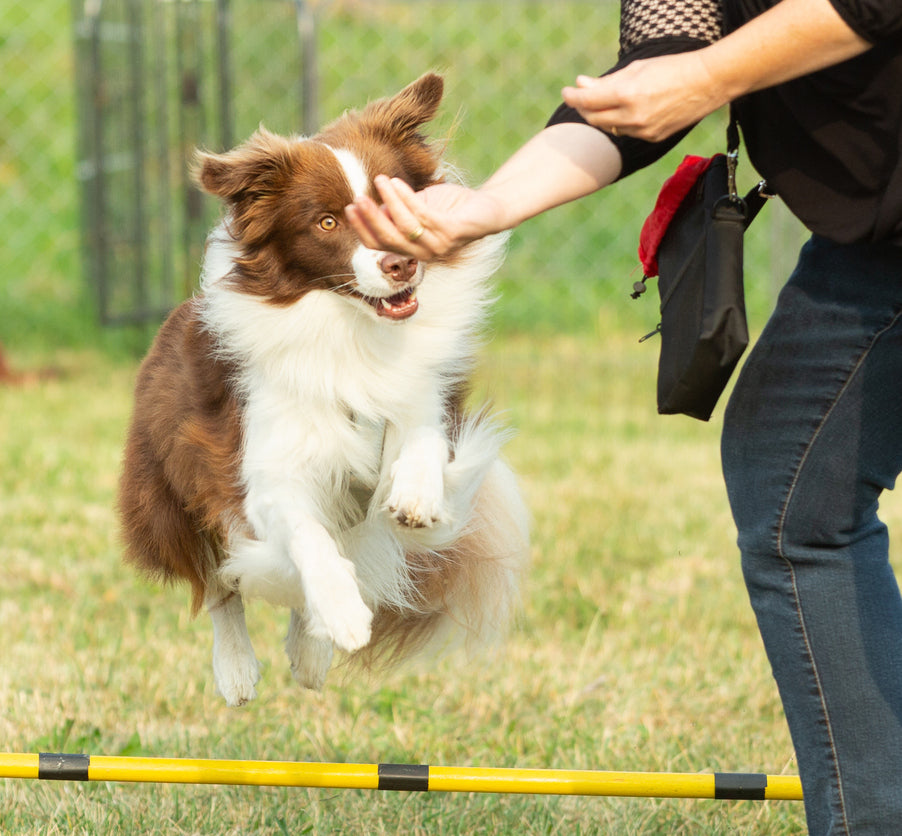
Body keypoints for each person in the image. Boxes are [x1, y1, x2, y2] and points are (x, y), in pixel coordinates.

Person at [346, 0, 902, 833]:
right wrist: (486, 208)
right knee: (795, 488)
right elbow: (648, 87)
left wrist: (710, 76)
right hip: (873, 246)